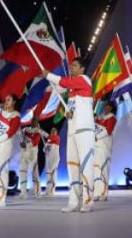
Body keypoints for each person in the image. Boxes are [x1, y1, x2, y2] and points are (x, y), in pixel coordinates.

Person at [44, 58, 95, 213]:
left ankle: (88, 201)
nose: (71, 67)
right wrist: (69, 113)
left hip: (85, 130)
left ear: (82, 68)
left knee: (86, 166)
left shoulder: (84, 80)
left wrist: (49, 75)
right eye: (71, 65)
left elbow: (65, 82)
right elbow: (73, 107)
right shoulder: (72, 92)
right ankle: (73, 202)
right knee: (72, 166)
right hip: (72, 131)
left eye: (75, 65)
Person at [93, 100, 118, 201]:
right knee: (96, 170)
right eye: (104, 106)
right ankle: (96, 193)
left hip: (104, 147)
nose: (105, 107)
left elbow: (108, 130)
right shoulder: (100, 117)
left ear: (111, 108)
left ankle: (104, 193)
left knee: (103, 169)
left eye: (107, 106)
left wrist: (97, 136)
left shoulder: (112, 118)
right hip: (96, 146)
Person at [18, 120, 44, 198]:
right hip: (24, 152)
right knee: (22, 172)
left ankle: (38, 192)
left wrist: (25, 139)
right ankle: (23, 193)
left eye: (35, 122)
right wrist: (21, 141)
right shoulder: (25, 130)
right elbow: (21, 138)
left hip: (32, 153)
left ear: (37, 123)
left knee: (35, 173)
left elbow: (34, 141)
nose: (33, 123)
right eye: (32, 121)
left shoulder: (38, 131)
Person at [44, 127, 61, 196]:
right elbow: (45, 150)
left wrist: (47, 145)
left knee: (53, 174)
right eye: (52, 130)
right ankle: (48, 190)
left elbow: (50, 139)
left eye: (54, 131)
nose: (53, 131)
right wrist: (46, 147)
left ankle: (52, 191)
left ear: (56, 132)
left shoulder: (57, 137)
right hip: (48, 158)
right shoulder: (49, 139)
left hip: (54, 157)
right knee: (48, 174)